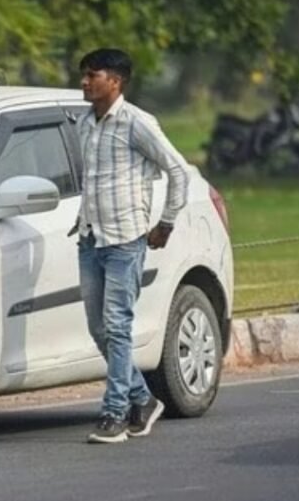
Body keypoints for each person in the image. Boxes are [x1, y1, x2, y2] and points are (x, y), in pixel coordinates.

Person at [74, 48, 190, 444]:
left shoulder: (137, 123)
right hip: (91, 238)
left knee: (117, 326)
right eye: (84, 75)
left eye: (92, 75)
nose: (84, 82)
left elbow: (178, 170)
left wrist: (166, 223)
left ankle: (115, 414)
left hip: (125, 240)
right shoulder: (84, 124)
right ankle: (143, 399)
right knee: (99, 329)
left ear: (116, 81)